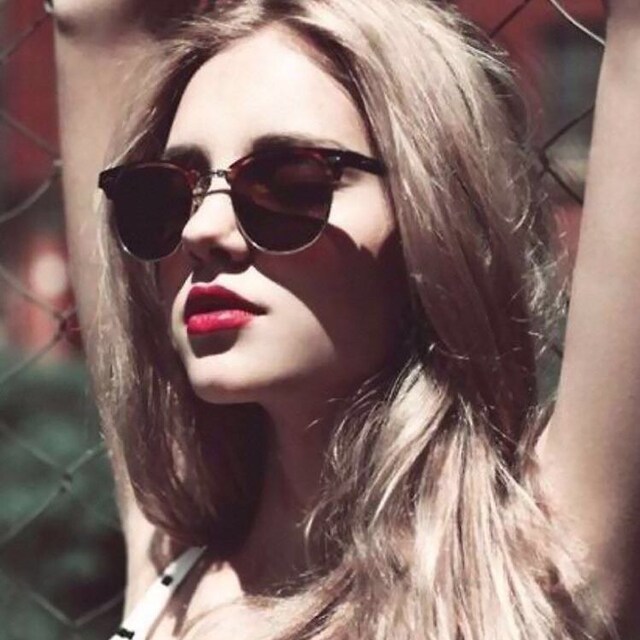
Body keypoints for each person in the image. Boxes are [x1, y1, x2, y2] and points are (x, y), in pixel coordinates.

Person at [51, 0, 640, 638]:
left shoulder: (533, 561)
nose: (201, 230)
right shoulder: (170, 563)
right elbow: (95, 19)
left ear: (431, 212)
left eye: (290, 184)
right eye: (168, 194)